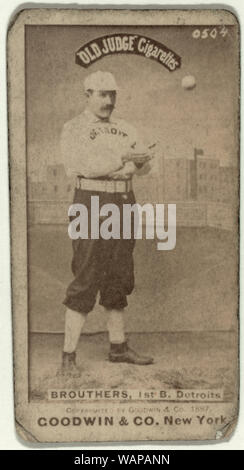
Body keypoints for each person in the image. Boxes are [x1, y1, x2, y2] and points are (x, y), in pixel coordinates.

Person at [60, 70, 154, 377]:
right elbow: (81, 165)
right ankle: (68, 357)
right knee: (86, 275)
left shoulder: (126, 128)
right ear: (87, 95)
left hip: (124, 202)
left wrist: (139, 162)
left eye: (112, 94)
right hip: (90, 202)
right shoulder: (73, 127)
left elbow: (143, 167)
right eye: (102, 94)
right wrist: (121, 160)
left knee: (119, 275)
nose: (109, 100)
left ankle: (118, 348)